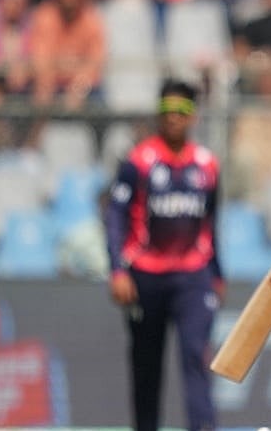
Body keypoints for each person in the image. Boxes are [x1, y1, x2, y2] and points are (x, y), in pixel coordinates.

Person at [104, 79, 223, 431]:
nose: (173, 117)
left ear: (193, 117)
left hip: (192, 276)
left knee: (195, 356)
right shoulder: (138, 162)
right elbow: (115, 217)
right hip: (145, 277)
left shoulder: (207, 165)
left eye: (181, 110)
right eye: (167, 110)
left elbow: (211, 224)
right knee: (146, 366)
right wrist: (117, 271)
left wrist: (216, 273)